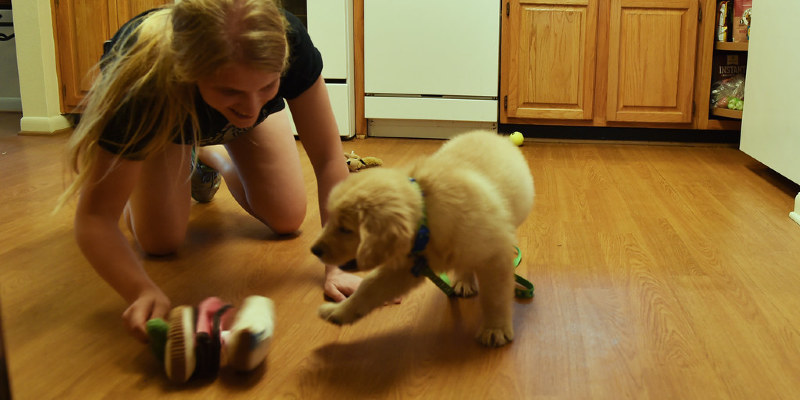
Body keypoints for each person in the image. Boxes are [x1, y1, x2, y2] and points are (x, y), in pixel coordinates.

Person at [57, 0, 359, 342]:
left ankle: (210, 156)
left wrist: (339, 262)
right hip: (169, 121)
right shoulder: (142, 77)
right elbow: (95, 218)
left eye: (268, 86)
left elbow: (329, 158)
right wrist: (140, 290)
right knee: (159, 242)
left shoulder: (288, 41)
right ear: (189, 70)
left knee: (287, 218)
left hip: (233, 125)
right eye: (230, 90)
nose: (250, 106)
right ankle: (162, 158)